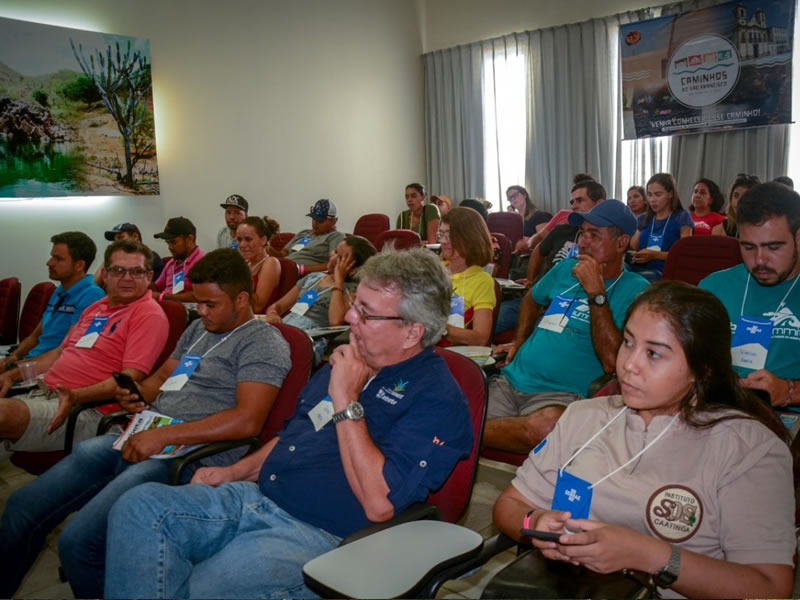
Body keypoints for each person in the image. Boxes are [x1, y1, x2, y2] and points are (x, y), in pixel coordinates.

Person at [102, 248, 474, 599]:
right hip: (260, 497)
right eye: (355, 303)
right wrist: (235, 471)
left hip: (322, 533)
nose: (348, 317)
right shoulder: (349, 360)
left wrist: (346, 401)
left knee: (200, 588)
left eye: (366, 312)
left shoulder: (437, 398)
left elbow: (380, 505)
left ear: (412, 332)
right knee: (139, 507)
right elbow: (296, 433)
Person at [0, 248, 291, 599]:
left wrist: (163, 435)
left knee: (80, 542)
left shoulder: (263, 342)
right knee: (22, 506)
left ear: (242, 299)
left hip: (190, 454)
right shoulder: (199, 328)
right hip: (151, 432)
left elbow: (247, 421)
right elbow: (164, 376)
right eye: (198, 303)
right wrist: (137, 394)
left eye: (210, 304)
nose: (200, 311)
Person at [492, 281, 794, 599]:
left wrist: (649, 555)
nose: (629, 365)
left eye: (653, 353)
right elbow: (510, 505)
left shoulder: (749, 449)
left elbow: (770, 588)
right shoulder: (583, 416)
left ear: (701, 371)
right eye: (627, 342)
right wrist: (535, 522)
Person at [486, 200, 648, 453]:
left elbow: (611, 361)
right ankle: (477, 428)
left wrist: (596, 292)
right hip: (511, 380)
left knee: (548, 427)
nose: (583, 242)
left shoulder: (637, 291)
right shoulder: (565, 269)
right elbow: (532, 299)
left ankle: (470, 430)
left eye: (594, 235)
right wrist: (520, 339)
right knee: (455, 398)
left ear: (621, 243)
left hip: (560, 396)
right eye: (583, 233)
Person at [0, 240, 168, 461]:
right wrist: (11, 375)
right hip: (44, 391)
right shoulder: (96, 307)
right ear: (105, 275)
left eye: (137, 271)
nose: (127, 277)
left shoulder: (148, 315)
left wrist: (75, 396)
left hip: (86, 410)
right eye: (119, 270)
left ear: (149, 277)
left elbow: (129, 378)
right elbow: (58, 354)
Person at [699, 182, 800, 408]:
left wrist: (788, 390)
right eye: (748, 247)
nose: (760, 260)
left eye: (773, 247)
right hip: (720, 412)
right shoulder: (713, 287)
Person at [496, 177, 607, 334]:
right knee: (495, 316)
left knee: (541, 335)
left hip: (564, 301)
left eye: (580, 200)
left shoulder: (605, 241)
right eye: (572, 202)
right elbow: (537, 252)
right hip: (536, 294)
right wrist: (531, 278)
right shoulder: (563, 230)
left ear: (599, 203)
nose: (574, 206)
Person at [0, 232, 104, 370]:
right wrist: (14, 357)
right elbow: (35, 337)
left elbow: (67, 350)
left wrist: (13, 368)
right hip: (29, 365)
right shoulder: (60, 290)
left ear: (79, 265)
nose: (49, 263)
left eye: (58, 259)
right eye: (51, 257)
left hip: (48, 371)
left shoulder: (92, 295)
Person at [266, 236, 377, 363]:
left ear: (354, 269)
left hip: (309, 340)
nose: (333, 257)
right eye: (335, 251)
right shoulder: (313, 278)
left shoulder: (351, 290)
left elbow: (335, 323)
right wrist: (273, 314)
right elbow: (277, 306)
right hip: (284, 330)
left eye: (341, 258)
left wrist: (338, 281)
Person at [439, 206, 496, 346]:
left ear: (469, 238)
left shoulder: (481, 281)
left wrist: (437, 328)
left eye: (450, 235)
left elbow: (480, 338)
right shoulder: (434, 270)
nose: (443, 241)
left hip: (446, 355)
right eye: (441, 234)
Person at [630, 173, 693, 281]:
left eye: (658, 194)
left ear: (670, 194)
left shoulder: (682, 217)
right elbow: (632, 248)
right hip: (638, 268)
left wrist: (655, 255)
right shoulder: (643, 218)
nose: (652, 200)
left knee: (635, 279)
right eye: (649, 195)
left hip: (663, 272)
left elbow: (685, 254)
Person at [271, 199, 345, 275]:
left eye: (320, 221)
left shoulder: (336, 236)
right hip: (281, 268)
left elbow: (333, 265)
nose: (315, 223)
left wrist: (300, 269)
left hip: (299, 275)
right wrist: (266, 246)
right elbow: (283, 255)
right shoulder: (303, 233)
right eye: (313, 219)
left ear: (333, 221)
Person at [152, 217, 206, 302]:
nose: (170, 247)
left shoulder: (203, 262)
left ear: (190, 239)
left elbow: (199, 295)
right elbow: (157, 287)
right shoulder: (171, 263)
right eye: (168, 243)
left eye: (173, 242)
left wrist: (162, 297)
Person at [236, 216, 281, 313]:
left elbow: (257, 307)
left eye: (248, 239)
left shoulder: (271, 263)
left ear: (263, 240)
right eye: (239, 239)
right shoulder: (245, 263)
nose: (242, 245)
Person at [98, 222, 165, 282]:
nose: (116, 243)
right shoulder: (115, 259)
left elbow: (159, 287)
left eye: (120, 238)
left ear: (135, 236)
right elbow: (96, 283)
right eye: (114, 240)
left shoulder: (152, 257)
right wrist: (110, 257)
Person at [712, 173, 761, 237]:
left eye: (745, 196)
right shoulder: (719, 230)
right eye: (736, 196)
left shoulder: (765, 230)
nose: (738, 201)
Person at [507, 185, 551, 252]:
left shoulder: (538, 215)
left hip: (530, 254)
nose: (513, 199)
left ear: (525, 195)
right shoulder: (514, 218)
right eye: (510, 198)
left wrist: (528, 242)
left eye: (515, 195)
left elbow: (546, 240)